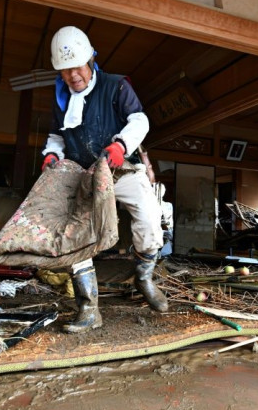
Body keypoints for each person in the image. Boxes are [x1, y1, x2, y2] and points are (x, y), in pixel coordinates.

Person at [41, 26, 168, 333]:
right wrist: (51, 153)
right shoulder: (60, 99)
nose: (73, 75)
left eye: (78, 67)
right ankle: (88, 308)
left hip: (120, 166)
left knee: (149, 218)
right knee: (74, 232)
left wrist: (121, 145)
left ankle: (144, 277)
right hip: (83, 173)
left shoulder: (116, 86)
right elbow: (57, 136)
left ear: (91, 60)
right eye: (65, 70)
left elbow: (140, 120)